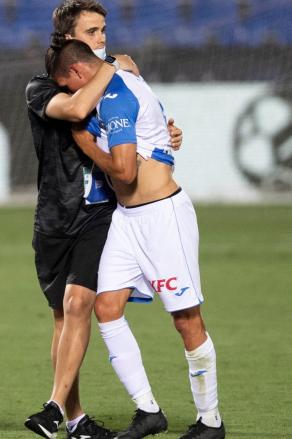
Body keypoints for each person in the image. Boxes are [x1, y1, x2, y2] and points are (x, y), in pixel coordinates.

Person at [50, 39, 226, 439]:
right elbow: (127, 67)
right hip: (127, 219)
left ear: (78, 74)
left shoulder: (114, 98)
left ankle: (210, 421)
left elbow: (125, 173)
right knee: (107, 306)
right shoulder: (120, 75)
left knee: (186, 320)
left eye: (69, 86)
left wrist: (86, 144)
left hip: (163, 216)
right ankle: (148, 410)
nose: (73, 96)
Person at [24, 2, 183, 438]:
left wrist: (165, 134)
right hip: (55, 218)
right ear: (69, 41)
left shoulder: (109, 77)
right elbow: (77, 110)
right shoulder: (42, 88)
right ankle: (74, 419)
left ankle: (54, 407)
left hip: (100, 215)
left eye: (104, 31)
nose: (102, 40)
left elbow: (135, 123)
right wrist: (113, 69)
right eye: (92, 32)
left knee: (80, 305)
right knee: (63, 317)